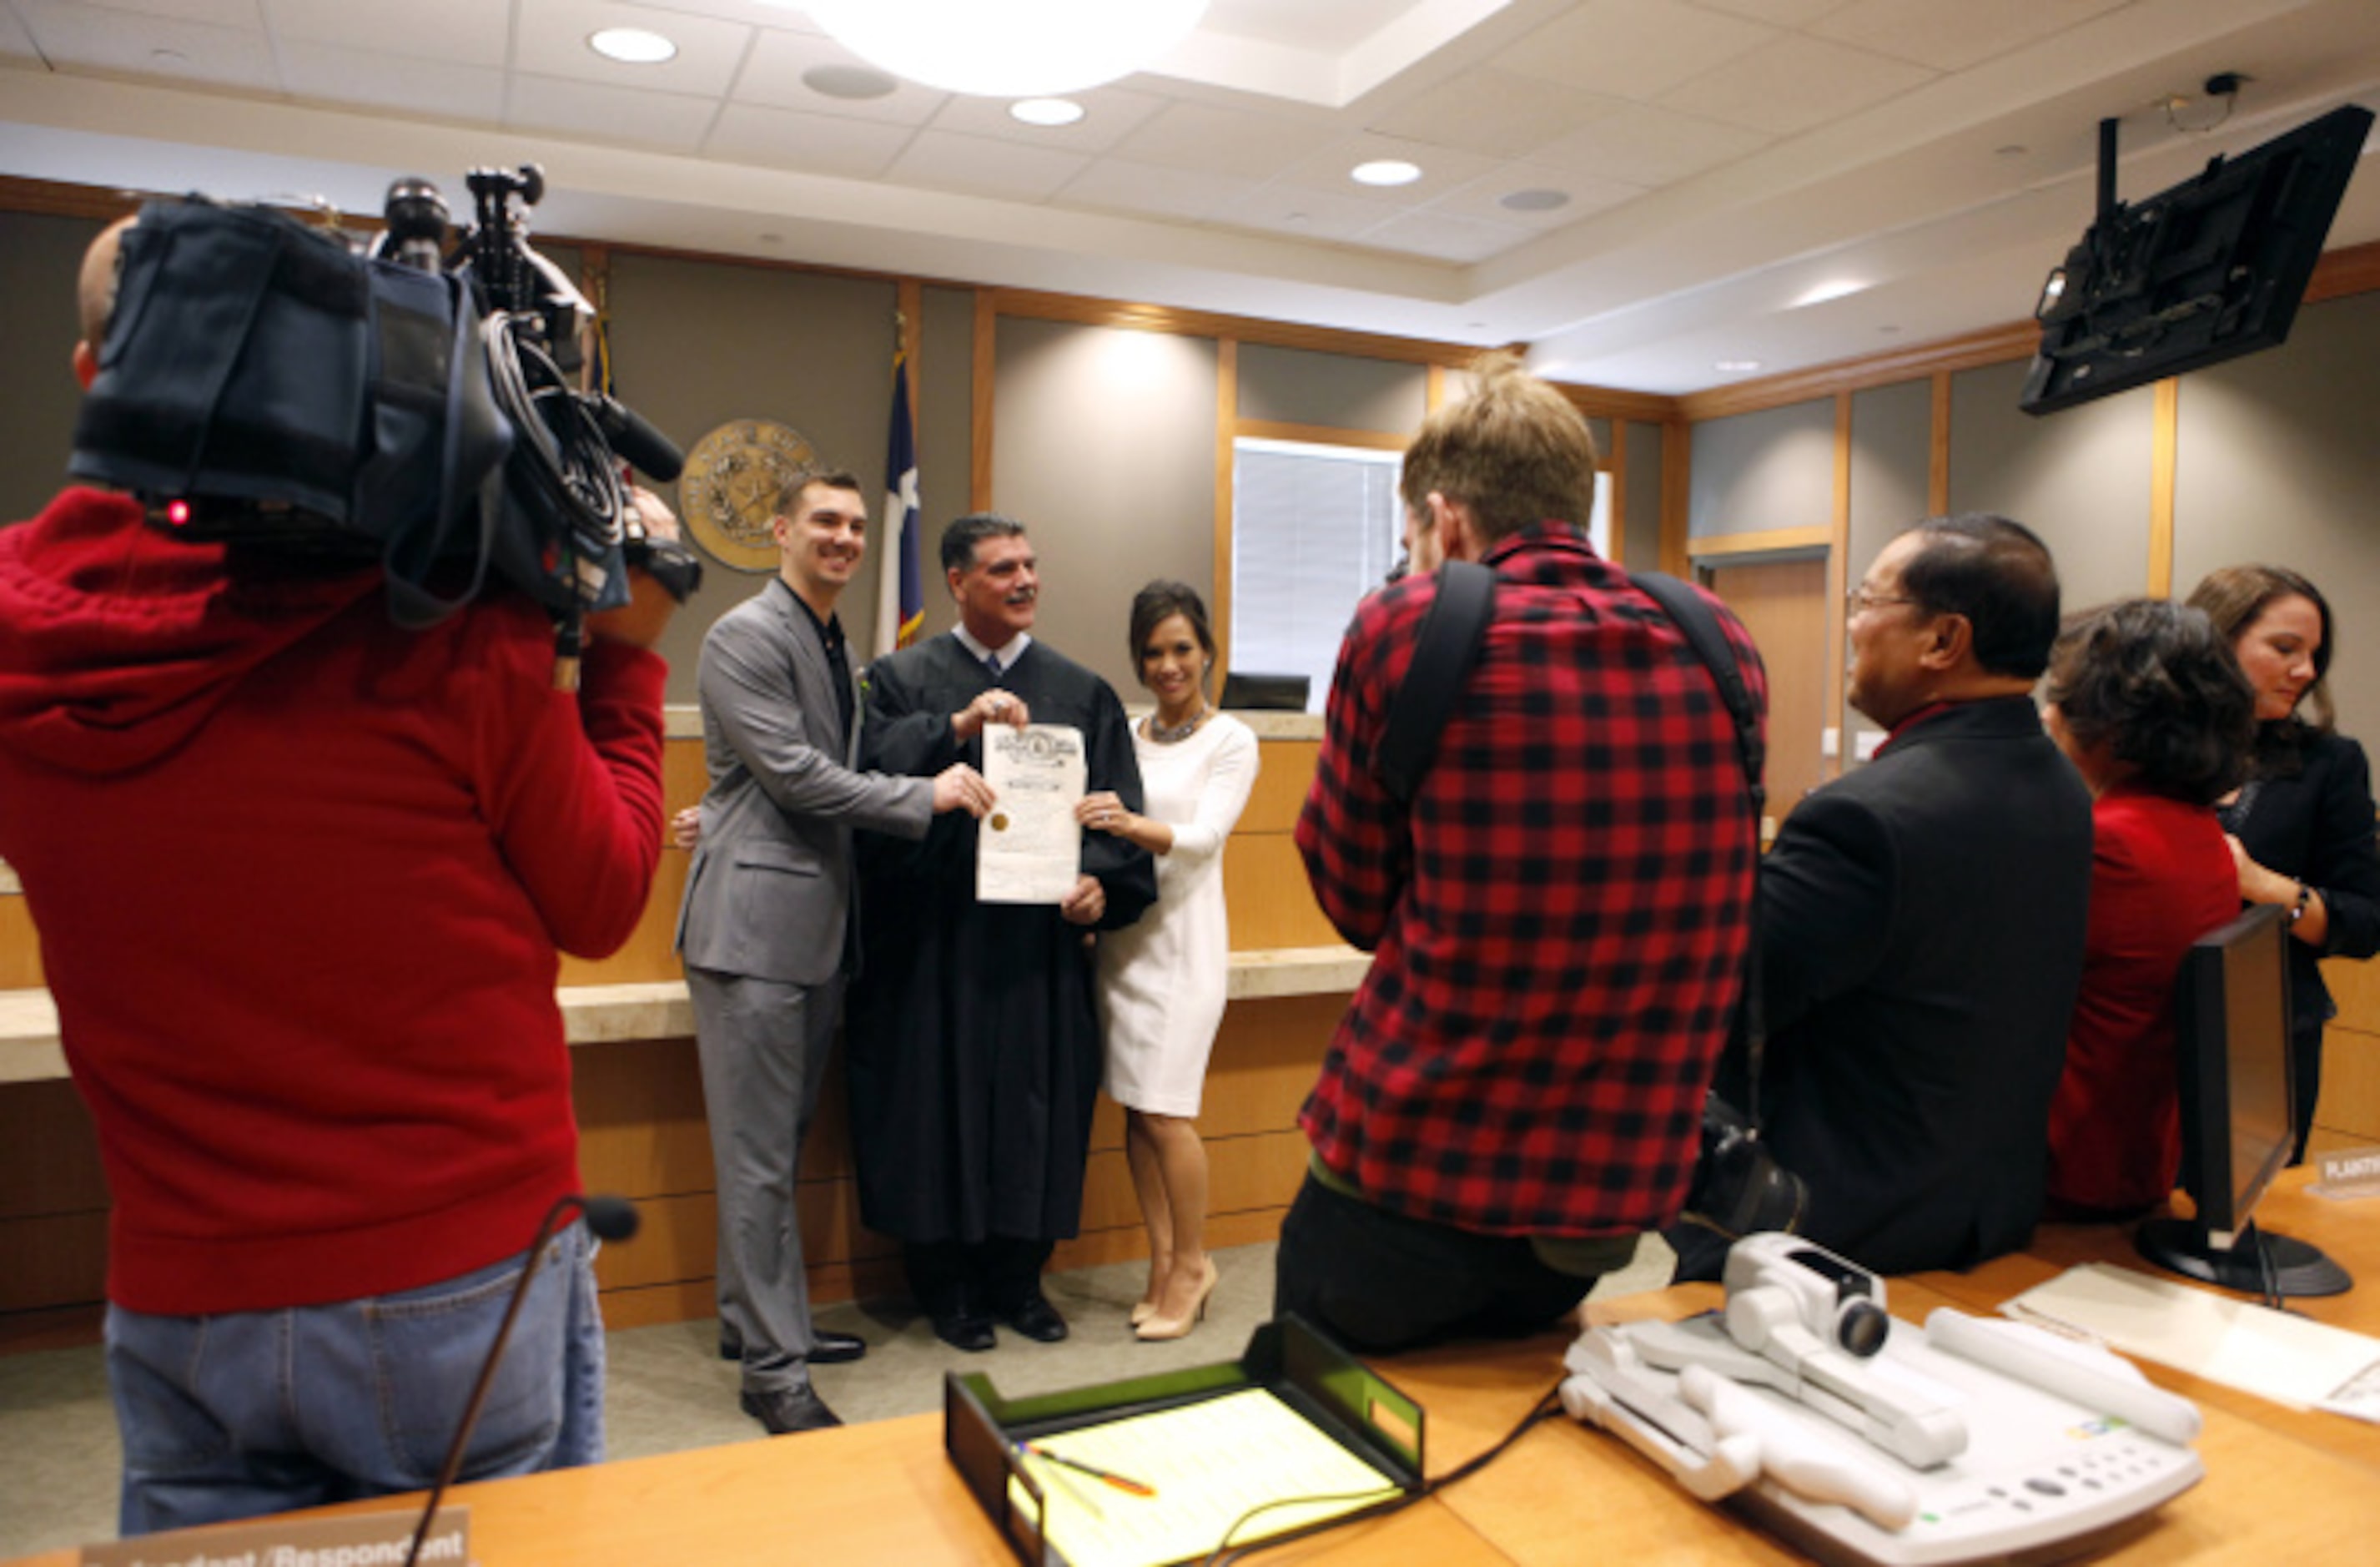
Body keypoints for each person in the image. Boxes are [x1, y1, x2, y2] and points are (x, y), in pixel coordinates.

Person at [0, 217, 678, 1532]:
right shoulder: (447, 625)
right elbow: (602, 901)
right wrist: (623, 657)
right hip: (459, 1276)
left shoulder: (20, 643)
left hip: (183, 1287)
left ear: (98, 379)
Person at [1279, 352, 1767, 1354]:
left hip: (1408, 1172)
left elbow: (1354, 901)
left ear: (1445, 522)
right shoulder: (1715, 635)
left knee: (1337, 1443)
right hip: (1604, 1198)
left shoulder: (1408, 626)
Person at [676, 470, 994, 1434]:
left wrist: (955, 731)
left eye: (858, 525)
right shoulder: (744, 635)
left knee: (770, 1152)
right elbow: (802, 777)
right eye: (826, 521)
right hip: (754, 936)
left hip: (809, 935)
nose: (847, 538)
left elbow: (826, 761)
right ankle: (774, 1373)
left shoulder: (826, 638)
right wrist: (924, 797)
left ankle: (752, 1325)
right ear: (781, 530)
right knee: (760, 1161)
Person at [1701, 514, 2092, 1279]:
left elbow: (1728, 998)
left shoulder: (1865, 818)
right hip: (1984, 1208)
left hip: (1839, 1232)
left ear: (1942, 641)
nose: (1851, 627)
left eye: (1865, 602)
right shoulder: (2059, 785)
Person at [847, 513, 1157, 1351]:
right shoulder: (904, 680)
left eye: (1030, 565)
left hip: (1036, 952)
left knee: (1036, 1108)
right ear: (957, 581)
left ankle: (1020, 1283)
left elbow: (1119, 815)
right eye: (1001, 569)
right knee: (932, 1108)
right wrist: (952, 734)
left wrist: (1100, 881)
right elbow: (864, 787)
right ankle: (947, 1290)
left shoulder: (1080, 690)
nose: (1024, 581)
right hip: (934, 943)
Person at [1074, 582, 1259, 1342]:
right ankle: (1163, 1260)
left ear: (1207, 650)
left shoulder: (1232, 739)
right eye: (1152, 651)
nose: (1168, 665)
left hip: (1184, 945)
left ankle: (1195, 1264)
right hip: (1123, 944)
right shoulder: (1122, 729)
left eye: (1181, 648)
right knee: (1136, 1108)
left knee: (1168, 1109)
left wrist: (1125, 821)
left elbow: (1205, 838)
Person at [2040, 599, 2256, 1216]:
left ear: (2112, 723)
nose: (2049, 713)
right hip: (2137, 1160)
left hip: (2068, 1166)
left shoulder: (2108, 841)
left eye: (2062, 696)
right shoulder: (2198, 830)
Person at [2186, 565, 2380, 1163]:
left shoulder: (2330, 763)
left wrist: (2267, 888)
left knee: (2245, 1221)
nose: (2304, 671)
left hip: (2265, 1040)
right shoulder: (2129, 747)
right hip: (2138, 1028)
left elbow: (2364, 921)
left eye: (2312, 655)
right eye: (2284, 648)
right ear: (2215, 642)